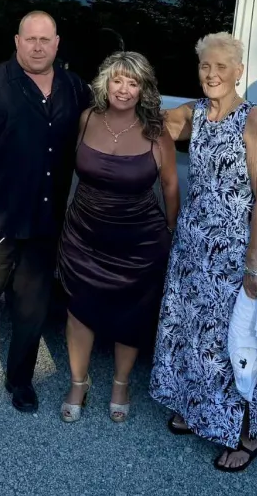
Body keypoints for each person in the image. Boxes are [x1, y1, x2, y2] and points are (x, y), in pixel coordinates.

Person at [0, 11, 92, 414]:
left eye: (45, 39)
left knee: (31, 312)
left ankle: (20, 380)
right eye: (30, 39)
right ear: (17, 41)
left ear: (57, 43)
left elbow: (109, 119)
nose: (38, 47)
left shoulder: (75, 88)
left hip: (44, 223)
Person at [150, 32, 257, 472]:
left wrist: (253, 263)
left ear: (238, 71)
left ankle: (246, 434)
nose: (212, 74)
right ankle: (196, 409)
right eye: (205, 66)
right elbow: (151, 121)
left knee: (235, 339)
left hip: (234, 252)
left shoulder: (253, 118)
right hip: (193, 245)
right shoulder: (196, 113)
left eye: (221, 66)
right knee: (192, 331)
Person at [57, 51, 178, 424]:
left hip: (138, 242)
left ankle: (121, 384)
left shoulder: (156, 132)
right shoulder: (87, 118)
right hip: (83, 235)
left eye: (133, 82)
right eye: (117, 80)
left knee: (132, 314)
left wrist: (170, 232)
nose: (124, 89)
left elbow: (170, 187)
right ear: (105, 84)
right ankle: (78, 382)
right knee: (78, 309)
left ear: (143, 89)